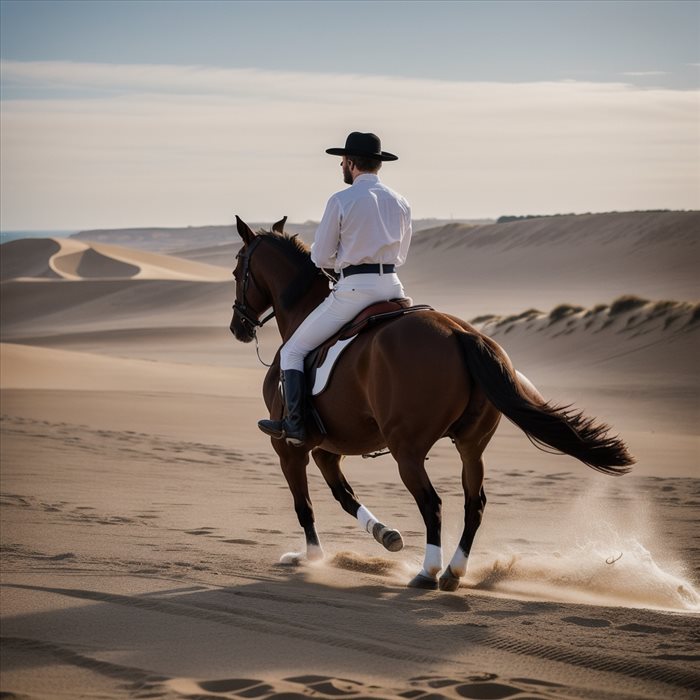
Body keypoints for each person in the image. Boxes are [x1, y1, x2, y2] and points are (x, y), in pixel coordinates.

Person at [258, 131, 412, 445]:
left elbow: (320, 256)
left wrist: (341, 260)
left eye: (342, 160)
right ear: (377, 165)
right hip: (394, 288)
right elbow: (403, 253)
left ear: (352, 163)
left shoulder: (341, 200)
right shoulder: (400, 201)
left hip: (355, 290)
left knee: (292, 351)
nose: (341, 165)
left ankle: (296, 425)